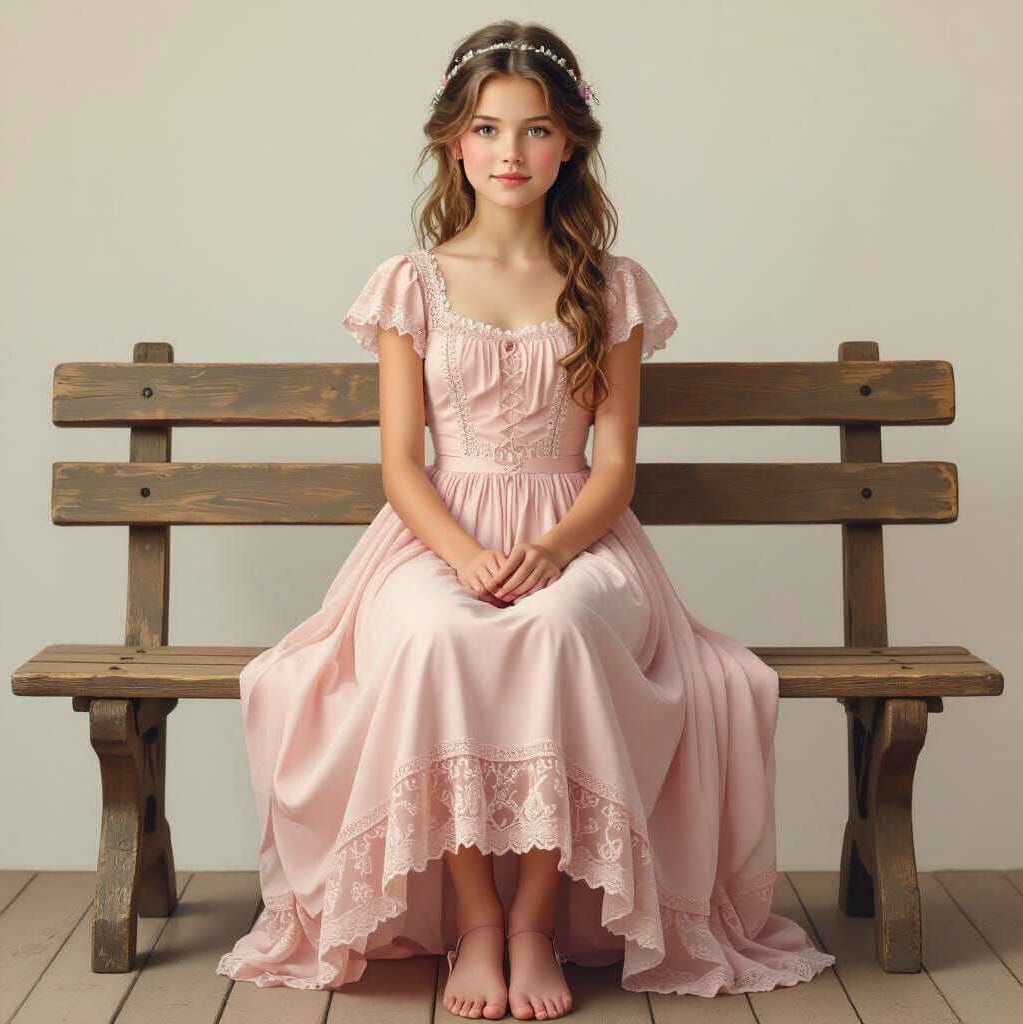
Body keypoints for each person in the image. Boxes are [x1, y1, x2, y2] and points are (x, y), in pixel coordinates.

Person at [215, 19, 836, 1021]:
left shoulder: (609, 285)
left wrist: (550, 548)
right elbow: (401, 463)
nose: (511, 152)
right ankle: (475, 918)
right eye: (488, 129)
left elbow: (616, 465)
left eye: (537, 130)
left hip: (577, 530)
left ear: (570, 145)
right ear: (453, 143)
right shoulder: (411, 283)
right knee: (436, 635)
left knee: (559, 630)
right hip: (436, 534)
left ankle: (535, 921)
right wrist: (464, 555)